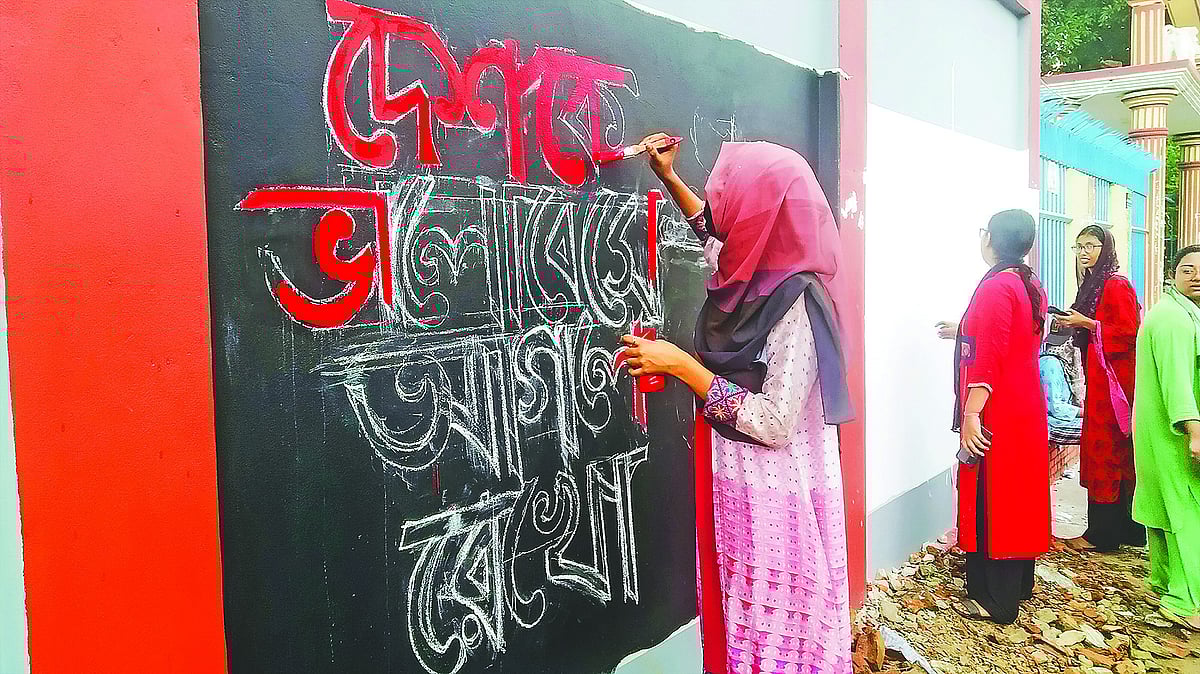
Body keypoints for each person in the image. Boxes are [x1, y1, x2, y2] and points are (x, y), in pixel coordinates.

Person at [618, 133, 854, 674]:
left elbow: (775, 422)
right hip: (740, 486)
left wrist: (681, 367)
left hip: (778, 497)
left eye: (732, 197)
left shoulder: (797, 303)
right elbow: (715, 229)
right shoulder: (755, 271)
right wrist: (670, 178)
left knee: (776, 629)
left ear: (759, 215)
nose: (722, 210)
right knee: (738, 614)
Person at [950, 210, 1050, 625]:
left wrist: (972, 414)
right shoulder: (1029, 283)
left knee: (994, 497)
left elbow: (987, 357)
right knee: (1019, 495)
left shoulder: (997, 287)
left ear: (990, 239)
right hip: (1025, 402)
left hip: (998, 408)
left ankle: (995, 601)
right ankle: (1018, 587)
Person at [1056, 225, 1143, 552]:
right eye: (1079, 247)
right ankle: (1126, 531)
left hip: (1115, 384)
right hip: (1102, 380)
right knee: (1115, 454)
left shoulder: (1115, 284)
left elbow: (1127, 333)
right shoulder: (1094, 284)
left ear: (1105, 248)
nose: (1083, 253)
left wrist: (1086, 324)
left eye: (1091, 246)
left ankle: (1102, 535)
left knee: (1106, 453)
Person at [1132, 245, 1200, 631]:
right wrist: (1193, 431)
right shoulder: (1175, 321)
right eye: (1187, 269)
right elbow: (1177, 384)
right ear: (1173, 275)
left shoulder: (1181, 314)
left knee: (1164, 510)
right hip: (1174, 434)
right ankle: (1186, 598)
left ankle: (1164, 583)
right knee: (1185, 513)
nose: (1196, 276)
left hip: (1159, 434)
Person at [1041, 328, 1084, 446]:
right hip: (1049, 423)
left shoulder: (1063, 365)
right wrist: (1085, 412)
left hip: (1059, 420)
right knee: (1096, 430)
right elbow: (1055, 408)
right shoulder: (1050, 363)